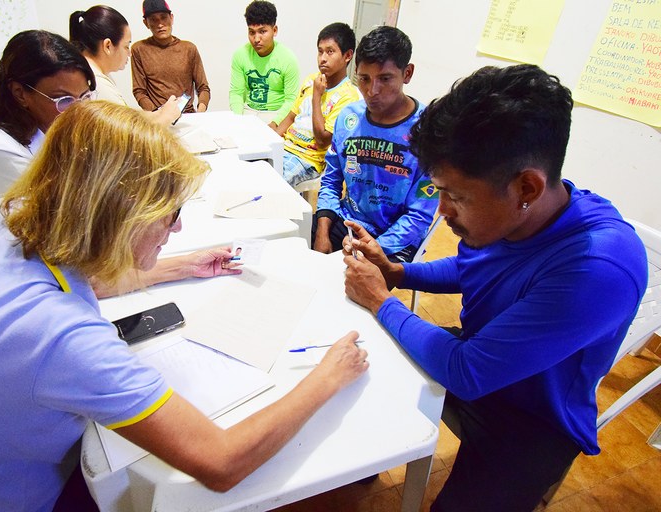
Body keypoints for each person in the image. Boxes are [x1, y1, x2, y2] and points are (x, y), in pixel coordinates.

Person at [0, 101, 369, 511]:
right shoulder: (62, 338)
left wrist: (180, 266)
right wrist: (327, 377)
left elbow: (78, 275)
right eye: (169, 217)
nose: (178, 230)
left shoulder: (2, 217)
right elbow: (221, 462)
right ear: (121, 216)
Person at [342, 64, 648, 511]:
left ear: (527, 186)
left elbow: (468, 370)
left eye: (457, 196)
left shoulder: (598, 268)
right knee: (364, 364)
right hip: (481, 352)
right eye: (438, 190)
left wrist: (380, 300)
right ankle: (373, 456)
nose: (442, 211)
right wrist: (397, 273)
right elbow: (473, 268)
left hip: (532, 417)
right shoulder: (521, 212)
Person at [313, 26, 438, 262]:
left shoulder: (429, 130)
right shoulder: (348, 119)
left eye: (385, 79)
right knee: (299, 261)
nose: (372, 91)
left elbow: (419, 214)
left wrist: (370, 250)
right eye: (364, 78)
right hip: (347, 221)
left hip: (395, 238)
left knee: (355, 292)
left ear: (407, 73)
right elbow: (330, 180)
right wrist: (322, 232)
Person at [0, 30, 96, 211]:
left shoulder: (50, 120)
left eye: (84, 96)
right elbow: (55, 214)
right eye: (63, 100)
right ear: (20, 93)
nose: (78, 110)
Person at [275, 22, 361, 188]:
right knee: (250, 169)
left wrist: (317, 96)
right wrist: (270, 140)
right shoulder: (311, 79)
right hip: (284, 148)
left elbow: (322, 140)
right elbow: (291, 117)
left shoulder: (348, 96)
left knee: (271, 185)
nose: (322, 58)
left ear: (348, 55)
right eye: (320, 51)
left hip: (307, 159)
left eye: (330, 52)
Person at [69, 5, 182, 124]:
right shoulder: (95, 85)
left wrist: (160, 113)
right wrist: (166, 117)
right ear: (108, 46)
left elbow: (126, 117)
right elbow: (128, 136)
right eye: (126, 46)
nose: (129, 53)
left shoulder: (90, 73)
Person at [229, 0, 300, 130]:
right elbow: (236, 93)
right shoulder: (240, 55)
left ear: (275, 30)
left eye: (262, 31)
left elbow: (292, 100)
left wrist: (275, 123)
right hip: (248, 111)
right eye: (252, 32)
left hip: (276, 113)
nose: (256, 39)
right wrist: (237, 121)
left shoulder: (288, 58)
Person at [131, 0, 210, 113]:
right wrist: (157, 115)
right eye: (153, 19)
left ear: (171, 18)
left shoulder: (189, 48)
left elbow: (203, 87)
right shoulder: (139, 49)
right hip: (157, 117)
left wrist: (200, 112)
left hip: (188, 116)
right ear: (146, 23)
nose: (160, 24)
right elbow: (139, 91)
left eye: (163, 17)